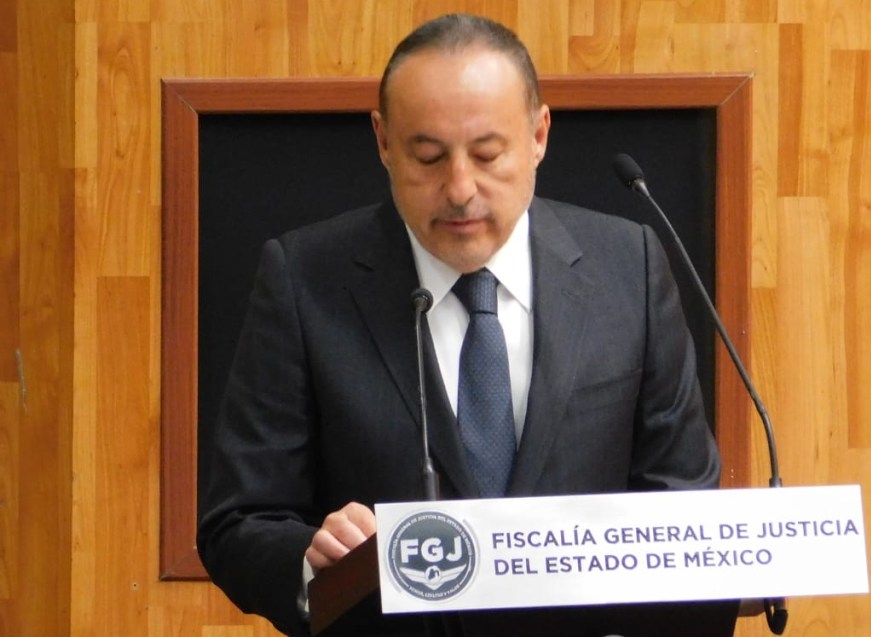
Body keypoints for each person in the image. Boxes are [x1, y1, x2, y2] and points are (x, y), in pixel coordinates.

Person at [197, 13, 721, 637]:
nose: (460, 188)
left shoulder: (628, 266)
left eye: (487, 154)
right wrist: (314, 561)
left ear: (538, 136)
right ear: (383, 142)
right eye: (428, 157)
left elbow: (682, 502)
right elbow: (240, 522)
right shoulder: (305, 278)